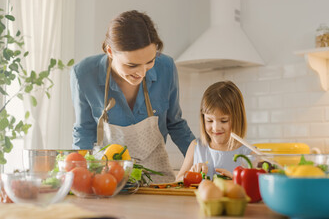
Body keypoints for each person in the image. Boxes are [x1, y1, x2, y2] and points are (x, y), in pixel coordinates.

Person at [70, 10, 195, 182]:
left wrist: (203, 159)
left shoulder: (166, 67)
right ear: (110, 51)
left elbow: (176, 124)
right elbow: (84, 131)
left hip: (156, 178)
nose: (142, 73)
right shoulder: (83, 74)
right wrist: (79, 176)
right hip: (107, 178)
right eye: (132, 65)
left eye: (150, 62)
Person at [176, 81, 252, 180]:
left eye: (224, 121)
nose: (216, 127)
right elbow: (178, 180)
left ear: (238, 118)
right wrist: (191, 174)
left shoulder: (249, 154)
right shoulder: (196, 146)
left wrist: (236, 181)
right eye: (209, 120)